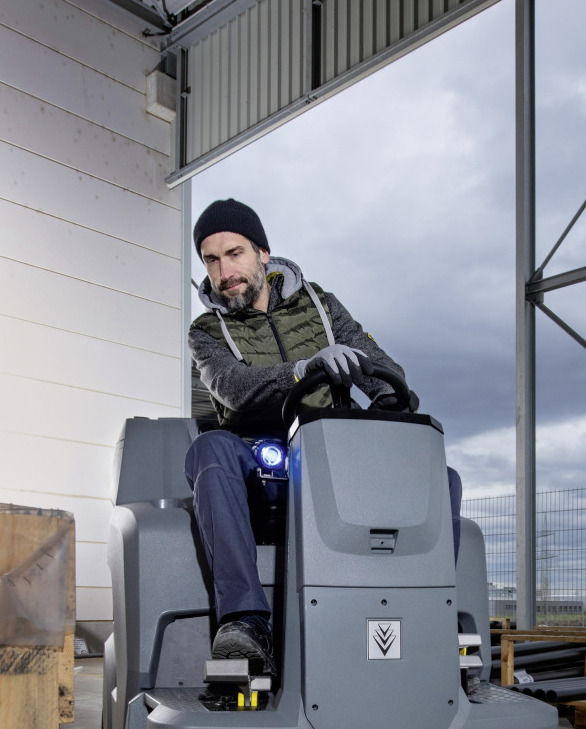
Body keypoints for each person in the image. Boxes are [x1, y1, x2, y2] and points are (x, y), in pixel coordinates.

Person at [185, 198, 462, 675]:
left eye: (234, 254)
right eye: (211, 260)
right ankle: (246, 622)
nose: (224, 272)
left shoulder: (321, 304)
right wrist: (300, 371)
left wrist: (386, 395)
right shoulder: (206, 331)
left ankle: (428, 613)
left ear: (263, 253)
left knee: (442, 478)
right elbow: (231, 387)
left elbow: (381, 366)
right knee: (210, 449)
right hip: (263, 470)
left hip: (336, 459)